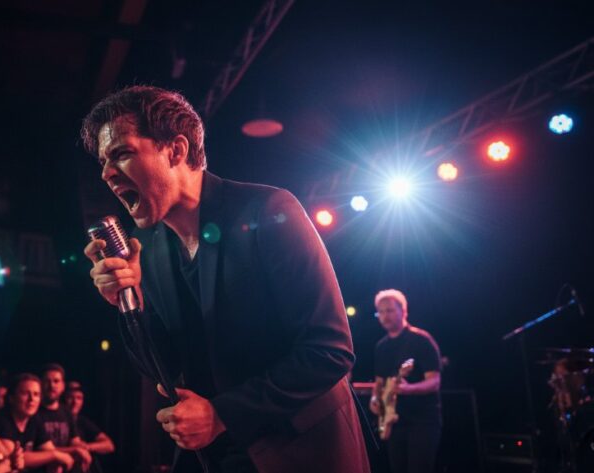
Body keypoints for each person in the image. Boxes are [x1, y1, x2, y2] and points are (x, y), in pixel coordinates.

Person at [81, 86, 369, 473]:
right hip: (215, 456)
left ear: (176, 150)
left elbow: (330, 349)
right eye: (103, 161)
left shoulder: (268, 210)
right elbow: (160, 368)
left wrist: (221, 414)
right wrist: (127, 300)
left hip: (300, 450)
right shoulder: (149, 248)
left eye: (121, 153)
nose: (106, 173)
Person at [370, 289, 442, 473]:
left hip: (422, 421)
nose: (385, 316)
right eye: (381, 311)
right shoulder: (381, 347)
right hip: (394, 423)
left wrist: (409, 389)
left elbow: (434, 382)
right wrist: (375, 400)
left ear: (404, 311)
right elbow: (379, 382)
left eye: (390, 310)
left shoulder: (421, 340)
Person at [0, 372, 75, 471]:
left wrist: (55, 458)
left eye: (36, 394)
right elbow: (11, 457)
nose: (32, 399)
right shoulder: (1, 418)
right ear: (11, 398)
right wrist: (55, 455)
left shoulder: (34, 419)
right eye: (25, 393)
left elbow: (49, 450)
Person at [39, 364, 93, 471]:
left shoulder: (66, 412)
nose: (52, 385)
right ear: (41, 384)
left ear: (63, 386)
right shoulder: (35, 411)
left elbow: (75, 441)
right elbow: (42, 450)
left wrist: (83, 448)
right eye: (47, 381)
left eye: (56, 381)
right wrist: (74, 450)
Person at [63, 382, 115, 472]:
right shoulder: (57, 420)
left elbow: (109, 445)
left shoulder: (82, 421)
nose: (75, 402)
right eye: (70, 397)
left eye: (79, 398)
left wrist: (86, 447)